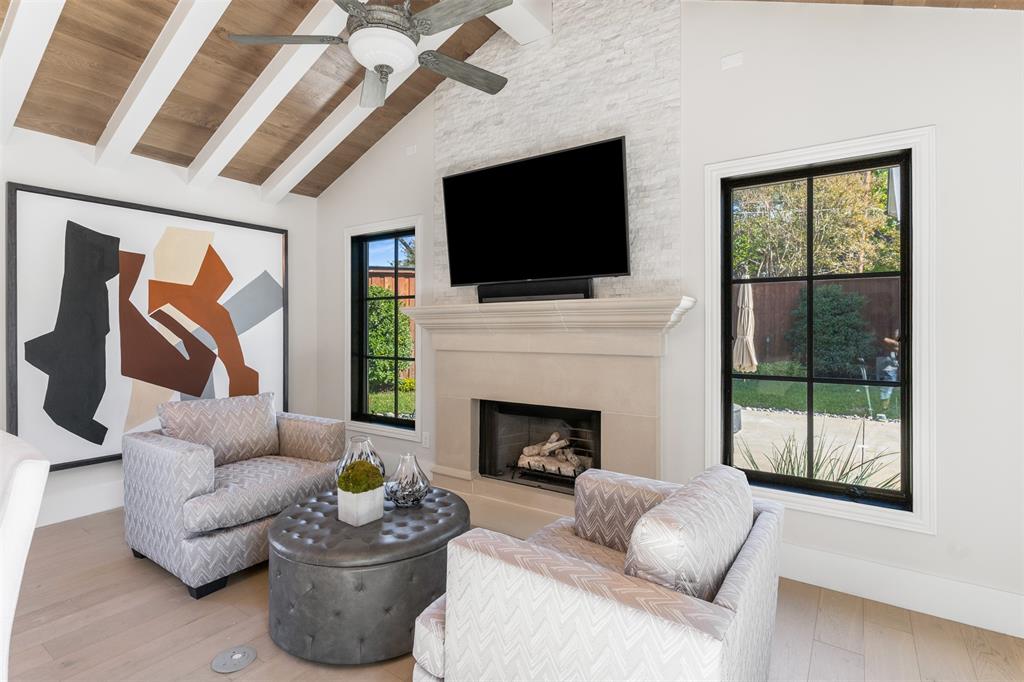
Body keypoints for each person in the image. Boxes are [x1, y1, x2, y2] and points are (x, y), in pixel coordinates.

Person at [878, 329, 900, 418]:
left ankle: (885, 408)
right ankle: (884, 409)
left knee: (888, 389)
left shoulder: (894, 346)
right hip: (888, 369)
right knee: (886, 389)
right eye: (896, 332)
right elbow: (885, 340)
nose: (897, 333)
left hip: (892, 370)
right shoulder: (889, 343)